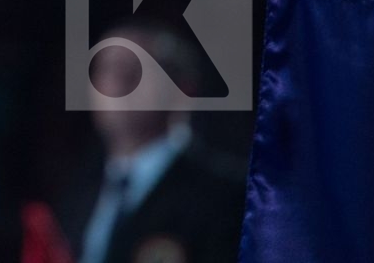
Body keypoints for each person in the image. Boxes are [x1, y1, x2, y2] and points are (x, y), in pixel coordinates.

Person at [55, 20, 247, 263]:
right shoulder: (76, 192)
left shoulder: (223, 197)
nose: (117, 81)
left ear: (181, 89)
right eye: (105, 68)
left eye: (137, 67)